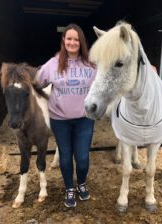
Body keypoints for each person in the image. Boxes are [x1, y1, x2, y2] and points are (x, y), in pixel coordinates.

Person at [37, 23, 96, 208]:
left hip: (84, 119)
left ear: (81, 42)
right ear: (64, 41)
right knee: (64, 157)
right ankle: (69, 187)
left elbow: (106, 80)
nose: (72, 42)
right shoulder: (53, 64)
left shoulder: (91, 64)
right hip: (60, 120)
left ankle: (82, 183)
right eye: (69, 39)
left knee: (83, 158)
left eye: (76, 39)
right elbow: (37, 82)